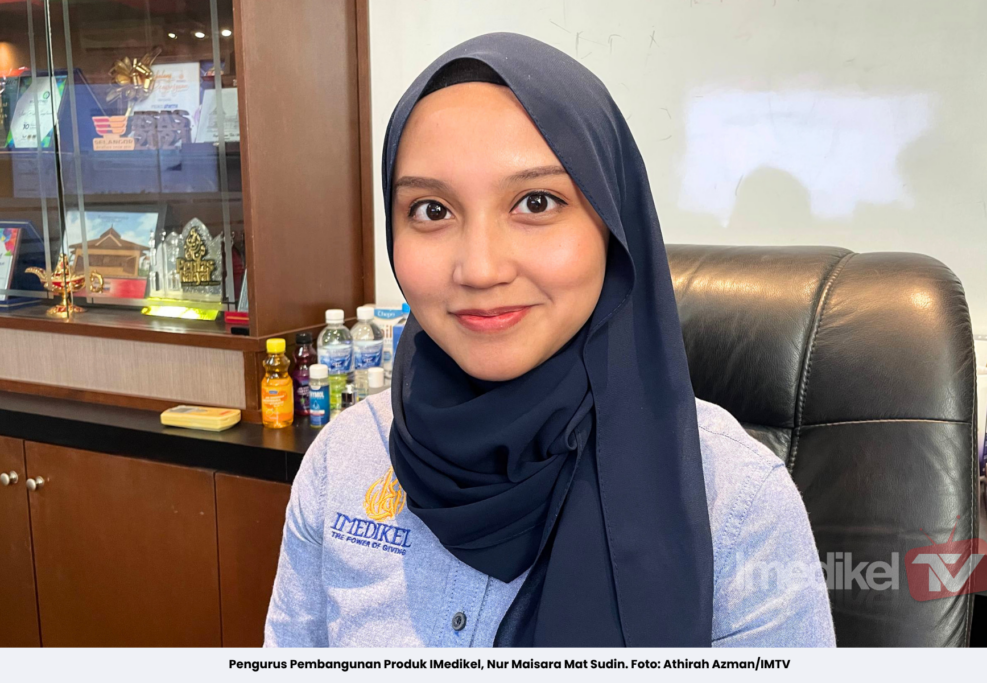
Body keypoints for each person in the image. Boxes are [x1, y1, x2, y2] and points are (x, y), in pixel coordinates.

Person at [264, 33, 834, 648]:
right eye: (431, 210)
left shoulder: (736, 502)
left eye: (536, 202)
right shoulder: (345, 461)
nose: (481, 269)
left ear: (612, 226)